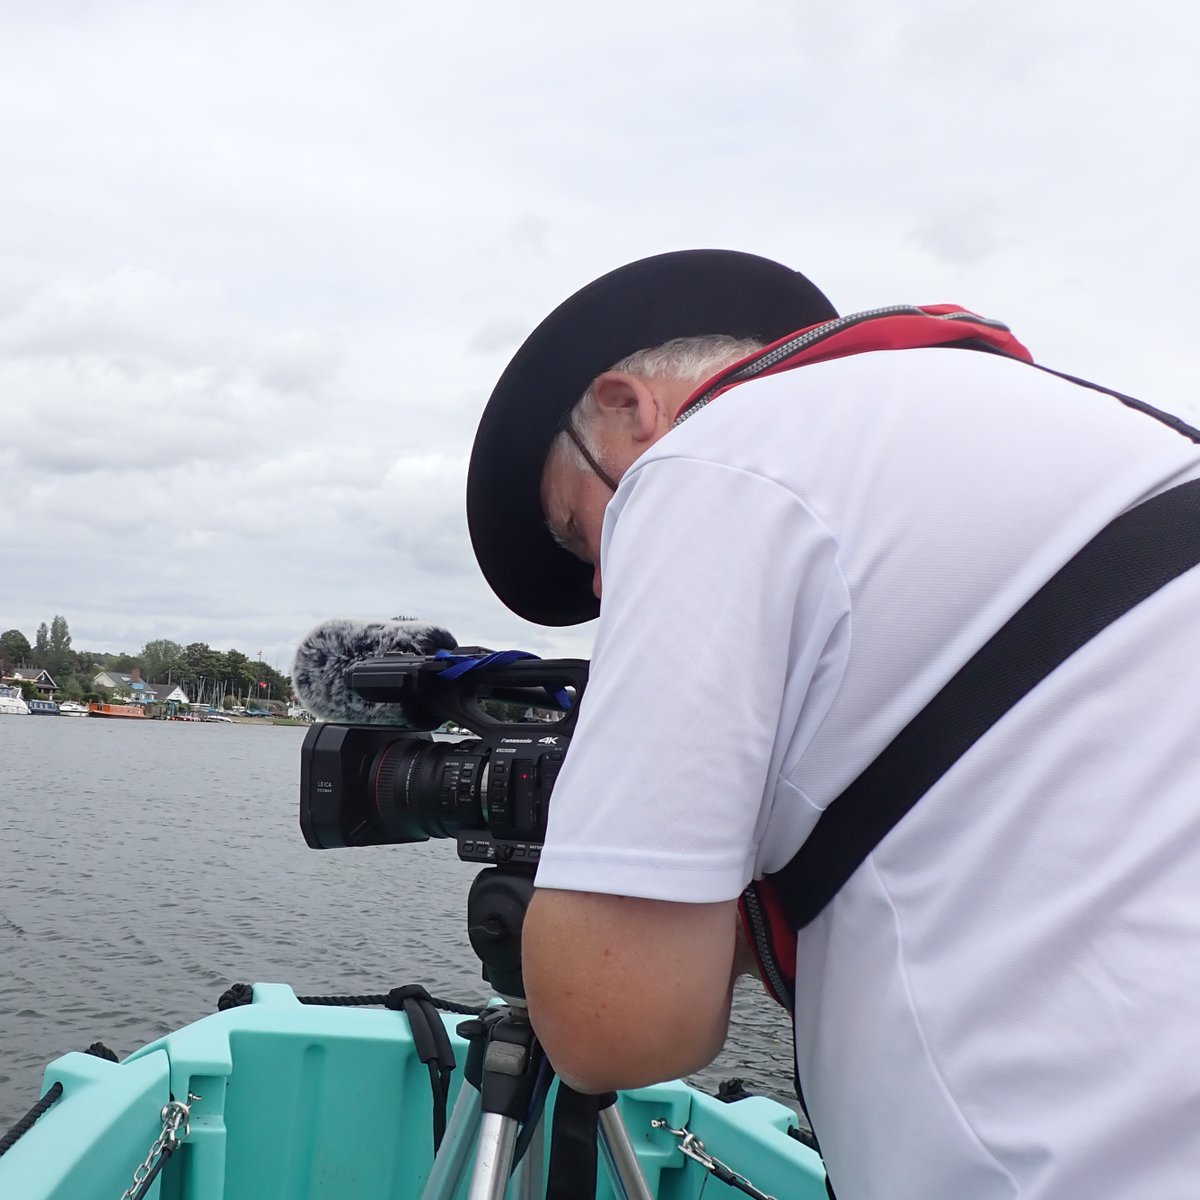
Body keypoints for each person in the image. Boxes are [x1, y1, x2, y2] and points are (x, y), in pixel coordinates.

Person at [465, 249, 1200, 1200]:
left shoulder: (708, 457)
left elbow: (619, 1025)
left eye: (582, 535)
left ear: (626, 408)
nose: (605, 586)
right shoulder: (1092, 433)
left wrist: (571, 895)